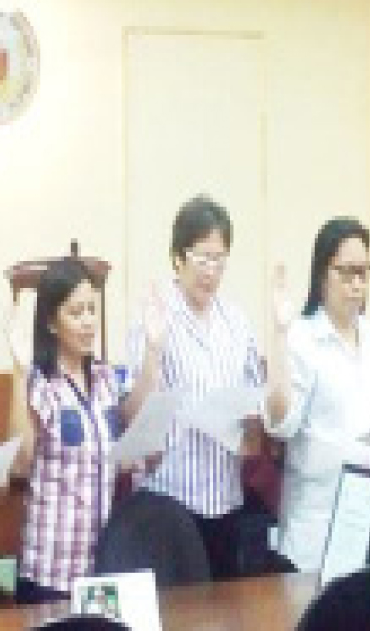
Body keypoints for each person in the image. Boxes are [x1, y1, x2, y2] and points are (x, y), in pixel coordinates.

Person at [121, 194, 293, 579]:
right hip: (169, 500)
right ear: (178, 258)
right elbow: (133, 416)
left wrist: (251, 422)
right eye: (202, 258)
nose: (211, 271)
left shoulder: (236, 322)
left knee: (223, 609)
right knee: (179, 612)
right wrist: (153, 349)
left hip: (225, 499)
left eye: (219, 259)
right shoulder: (155, 318)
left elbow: (262, 405)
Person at [266, 216, 370, 572]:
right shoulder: (302, 338)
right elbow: (280, 425)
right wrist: (278, 336)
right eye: (347, 273)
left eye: (364, 272)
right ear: (323, 273)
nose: (357, 284)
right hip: (316, 523)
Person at [6, 257, 124, 603]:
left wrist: (153, 350)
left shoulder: (105, 378)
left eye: (92, 310)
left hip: (99, 568)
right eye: (75, 312)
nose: (88, 321)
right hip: (49, 569)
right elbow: (20, 464)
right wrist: (18, 370)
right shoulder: (40, 382)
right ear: (51, 322)